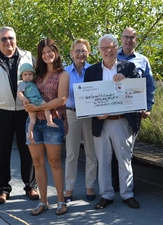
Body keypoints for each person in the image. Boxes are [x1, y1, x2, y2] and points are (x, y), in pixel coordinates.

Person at [0, 26, 39, 205]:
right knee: (2, 153)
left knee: (28, 151)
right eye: (3, 39)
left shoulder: (28, 57)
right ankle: (3, 190)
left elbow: (38, 82)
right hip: (0, 113)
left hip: (25, 112)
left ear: (16, 39)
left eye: (11, 38)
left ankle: (31, 187)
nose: (8, 42)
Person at [84, 34, 142, 210]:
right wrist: (95, 114)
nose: (108, 51)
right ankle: (106, 195)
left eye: (111, 47)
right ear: (99, 51)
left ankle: (127, 194)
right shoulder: (92, 71)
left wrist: (127, 79)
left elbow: (138, 88)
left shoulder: (129, 67)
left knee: (124, 160)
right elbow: (88, 98)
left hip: (121, 121)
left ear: (117, 48)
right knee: (103, 161)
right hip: (101, 123)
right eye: (104, 48)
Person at [24, 38, 69, 216]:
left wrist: (37, 107)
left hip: (53, 122)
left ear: (56, 52)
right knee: (37, 163)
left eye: (50, 51)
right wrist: (27, 104)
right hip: (34, 123)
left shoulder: (63, 74)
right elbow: (25, 89)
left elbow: (61, 100)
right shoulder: (36, 74)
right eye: (43, 52)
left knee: (55, 162)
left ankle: (61, 201)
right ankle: (43, 202)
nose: (47, 55)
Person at [111, 27, 156, 192]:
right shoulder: (112, 57)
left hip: (134, 112)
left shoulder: (143, 60)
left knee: (128, 150)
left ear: (136, 40)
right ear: (121, 39)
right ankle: (116, 184)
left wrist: (147, 107)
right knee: (115, 151)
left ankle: (127, 186)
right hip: (114, 111)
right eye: (125, 37)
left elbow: (149, 85)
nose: (129, 40)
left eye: (132, 37)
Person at [63, 39, 98, 203]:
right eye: (77, 51)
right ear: (71, 53)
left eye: (83, 50)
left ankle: (89, 187)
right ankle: (68, 189)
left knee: (91, 153)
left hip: (90, 116)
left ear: (88, 52)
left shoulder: (94, 70)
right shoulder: (64, 72)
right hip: (71, 115)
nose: (80, 54)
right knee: (71, 154)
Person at [17, 63, 59, 144]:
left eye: (30, 74)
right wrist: (24, 99)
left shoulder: (33, 83)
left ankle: (30, 135)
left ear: (33, 75)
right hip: (34, 100)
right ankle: (49, 122)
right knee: (47, 106)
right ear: (22, 76)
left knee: (33, 121)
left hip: (34, 100)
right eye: (25, 74)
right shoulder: (23, 83)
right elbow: (19, 92)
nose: (28, 76)